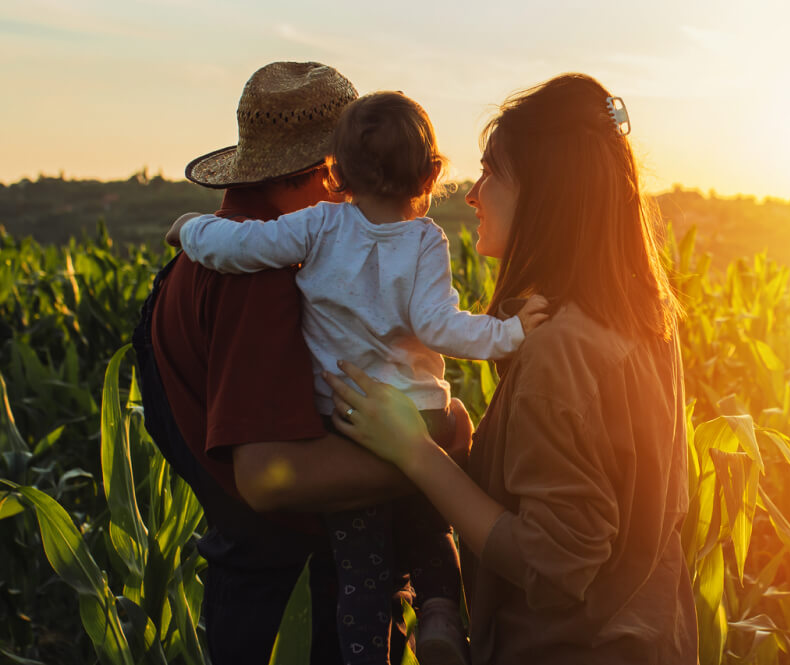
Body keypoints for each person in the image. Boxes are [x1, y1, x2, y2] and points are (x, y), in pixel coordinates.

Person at [323, 74, 698, 664]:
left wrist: (416, 454)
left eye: (492, 172)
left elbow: (553, 565)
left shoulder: (561, 351)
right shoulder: (643, 316)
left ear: (544, 195)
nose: (472, 194)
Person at [165, 89, 548, 665]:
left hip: (343, 414)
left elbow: (237, 246)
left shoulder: (312, 228)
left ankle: (365, 648)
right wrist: (510, 336)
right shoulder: (424, 240)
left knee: (360, 556)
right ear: (431, 174)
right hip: (417, 411)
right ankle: (442, 609)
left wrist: (188, 231)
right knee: (428, 509)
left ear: (338, 173)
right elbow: (439, 325)